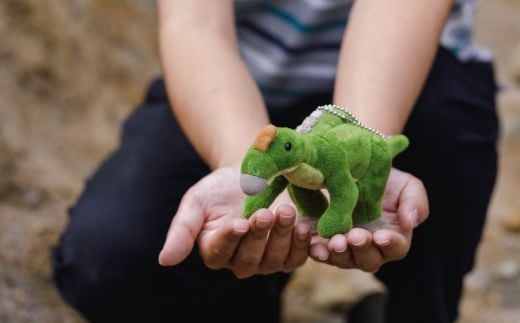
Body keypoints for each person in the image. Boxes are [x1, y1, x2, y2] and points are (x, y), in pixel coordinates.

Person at [51, 0, 499, 322]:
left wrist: (357, 144)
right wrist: (236, 164)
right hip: (238, 80)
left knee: (443, 164)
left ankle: (412, 312)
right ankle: (251, 295)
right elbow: (194, 23)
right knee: (107, 260)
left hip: (407, 77)